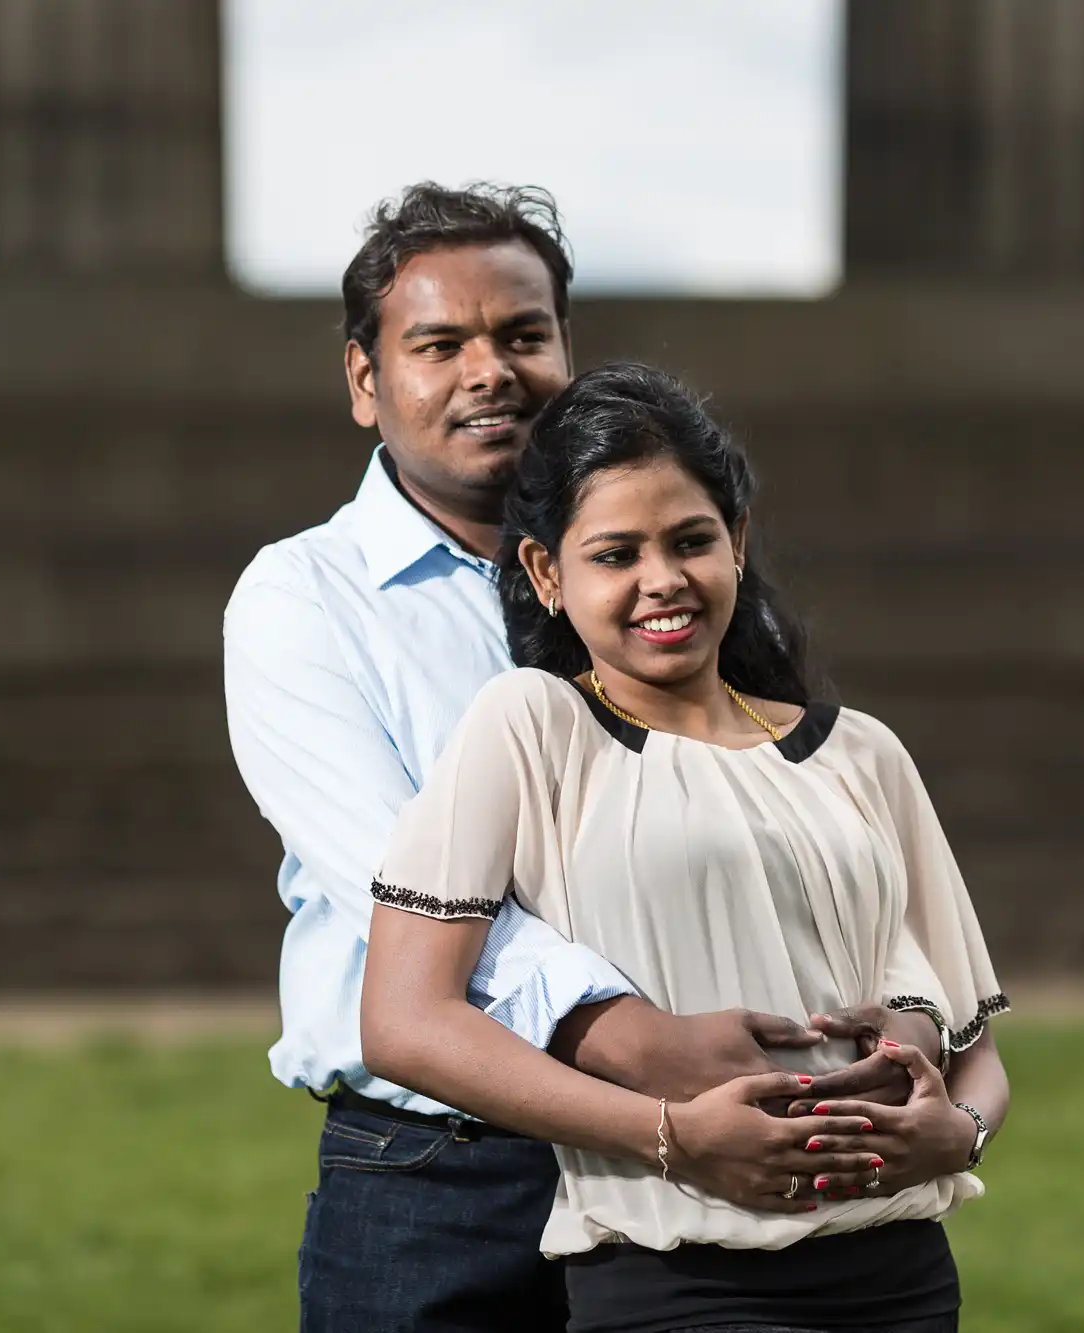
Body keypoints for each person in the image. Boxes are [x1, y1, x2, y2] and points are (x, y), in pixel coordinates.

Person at [223, 184, 943, 1333]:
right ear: (365, 380)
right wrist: (633, 1042)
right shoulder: (303, 601)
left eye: (522, 334)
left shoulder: (648, 584)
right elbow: (387, 891)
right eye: (438, 344)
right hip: (442, 1172)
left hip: (698, 1168)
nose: (489, 371)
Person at [360, 362, 1013, 1333]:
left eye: (690, 540)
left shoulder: (860, 750)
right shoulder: (531, 727)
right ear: (546, 573)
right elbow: (403, 1023)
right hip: (679, 1281)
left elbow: (977, 1056)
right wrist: (671, 1136)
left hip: (900, 1275)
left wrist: (956, 1135)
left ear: (736, 543)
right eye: (614, 553)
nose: (660, 579)